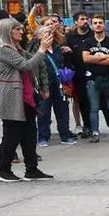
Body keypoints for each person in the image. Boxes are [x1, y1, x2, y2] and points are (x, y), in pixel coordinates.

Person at [0, 19, 54, 181]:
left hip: (26, 97)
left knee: (30, 134)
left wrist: (41, 45)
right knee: (12, 135)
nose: (21, 31)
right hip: (11, 97)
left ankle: (31, 169)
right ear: (7, 32)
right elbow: (26, 65)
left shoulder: (17, 49)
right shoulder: (3, 49)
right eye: (17, 29)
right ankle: (4, 170)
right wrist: (42, 49)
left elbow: (33, 60)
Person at [35, 15, 77, 147]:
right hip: (44, 84)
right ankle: (43, 137)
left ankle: (64, 135)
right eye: (45, 33)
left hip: (60, 83)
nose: (49, 35)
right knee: (43, 111)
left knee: (62, 110)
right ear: (39, 37)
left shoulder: (58, 47)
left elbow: (64, 63)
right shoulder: (36, 49)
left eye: (50, 33)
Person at [80, 14, 109, 143]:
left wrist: (95, 60)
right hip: (92, 79)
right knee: (93, 107)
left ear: (104, 24)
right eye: (95, 23)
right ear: (92, 25)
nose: (98, 25)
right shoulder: (87, 42)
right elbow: (85, 59)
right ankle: (95, 132)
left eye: (100, 22)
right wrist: (104, 57)